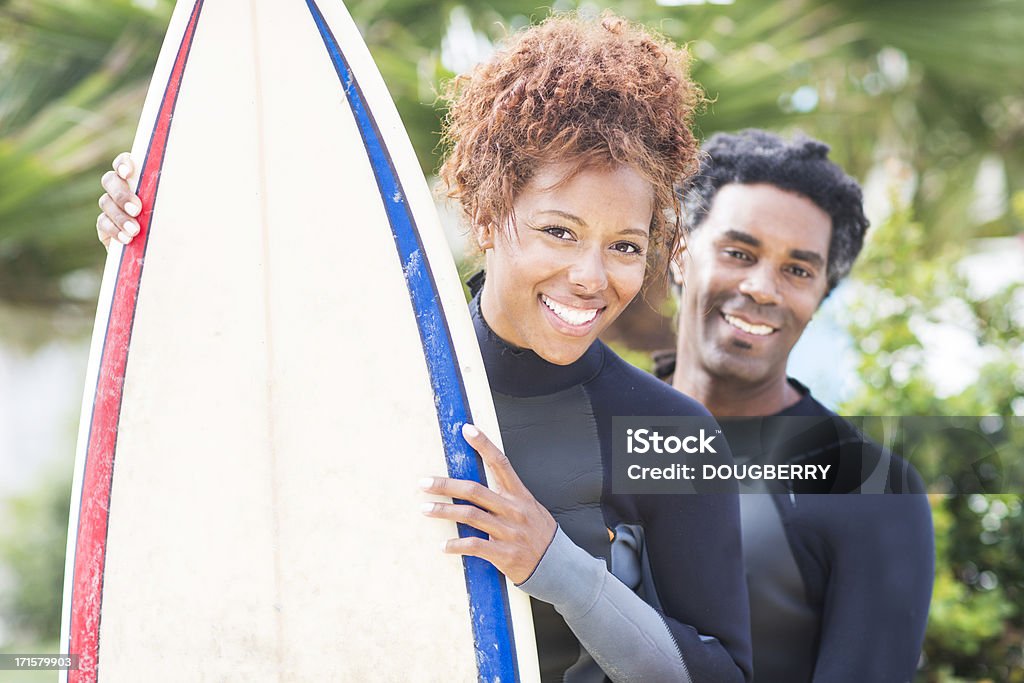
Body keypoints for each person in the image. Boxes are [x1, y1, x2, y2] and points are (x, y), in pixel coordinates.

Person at [96, 14, 753, 683]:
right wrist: (150, 220)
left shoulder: (670, 434)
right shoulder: (366, 377)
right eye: (560, 231)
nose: (591, 276)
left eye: (625, 246)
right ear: (487, 215)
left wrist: (555, 566)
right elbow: (214, 387)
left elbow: (723, 675)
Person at [657, 129, 934, 682]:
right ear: (680, 253)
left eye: (798, 270)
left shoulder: (868, 488)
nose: (763, 288)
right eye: (739, 253)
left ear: (820, 296)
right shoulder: (590, 420)